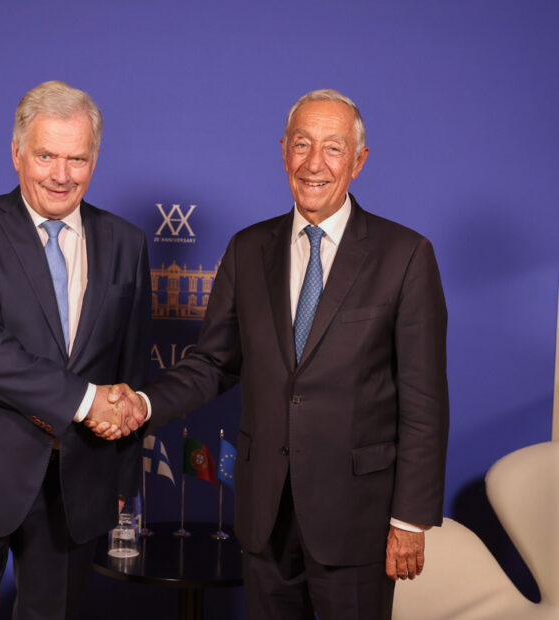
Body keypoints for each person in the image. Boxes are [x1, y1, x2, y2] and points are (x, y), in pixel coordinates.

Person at [90, 89, 449, 620]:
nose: (314, 164)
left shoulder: (405, 256)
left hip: (357, 519)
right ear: (283, 151)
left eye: (333, 147)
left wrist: (410, 521)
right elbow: (213, 363)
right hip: (265, 515)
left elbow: (424, 399)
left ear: (358, 160)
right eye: (302, 144)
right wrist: (142, 403)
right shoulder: (247, 249)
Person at [0, 80, 150, 620]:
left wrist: (121, 479)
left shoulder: (126, 242)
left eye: (77, 158)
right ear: (17, 153)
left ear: (95, 159)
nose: (61, 175)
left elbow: (129, 370)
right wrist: (87, 400)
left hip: (77, 483)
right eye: (46, 156)